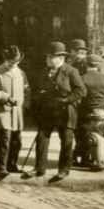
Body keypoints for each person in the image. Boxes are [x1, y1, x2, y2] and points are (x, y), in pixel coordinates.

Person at [24, 41, 86, 182]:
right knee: (41, 138)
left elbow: (81, 90)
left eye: (51, 57)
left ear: (61, 58)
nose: (47, 60)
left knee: (66, 141)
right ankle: (39, 168)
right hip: (47, 111)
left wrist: (66, 100)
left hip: (65, 111)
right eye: (47, 57)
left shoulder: (71, 71)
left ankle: (64, 170)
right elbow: (40, 90)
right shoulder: (45, 72)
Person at [0, 45, 30, 180]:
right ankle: (1, 167)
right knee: (5, 140)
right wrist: (6, 97)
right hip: (3, 112)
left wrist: (26, 105)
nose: (13, 64)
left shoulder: (21, 73)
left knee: (17, 140)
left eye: (15, 62)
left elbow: (27, 91)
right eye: (11, 62)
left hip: (17, 112)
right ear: (6, 60)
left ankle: (12, 164)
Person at [76, 54, 104, 170]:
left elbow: (78, 97)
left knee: (83, 135)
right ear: (98, 65)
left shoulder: (82, 78)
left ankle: (85, 159)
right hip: (102, 113)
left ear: (86, 65)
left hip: (87, 113)